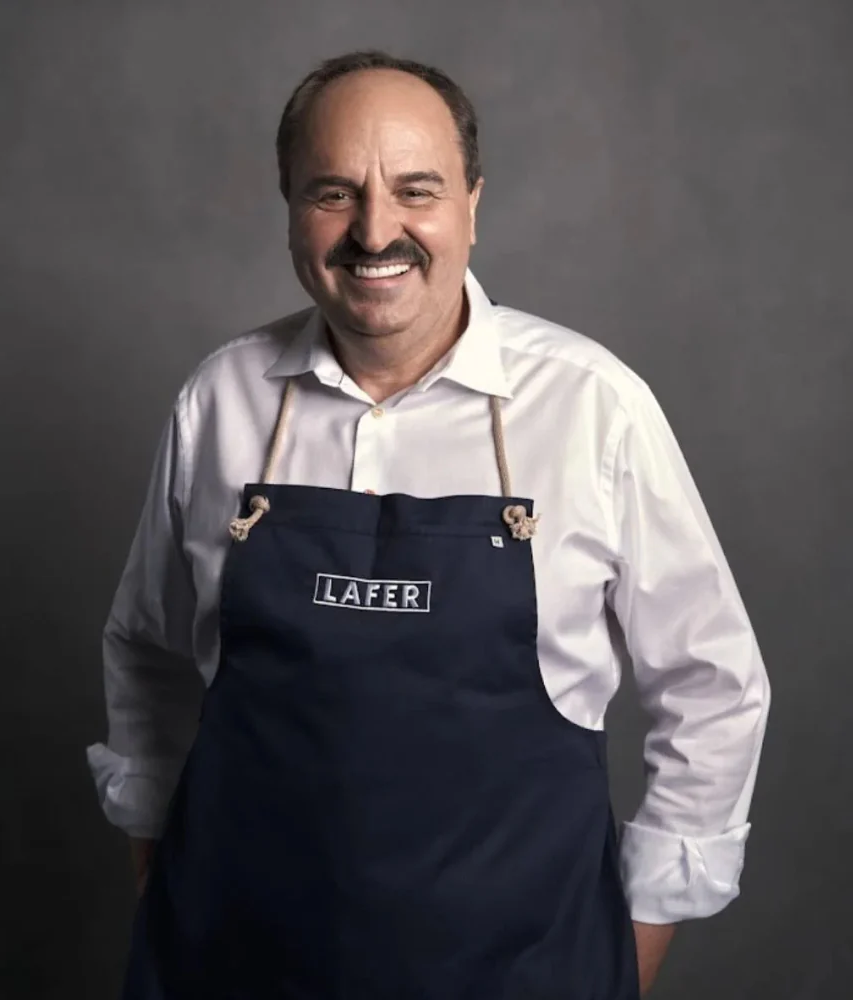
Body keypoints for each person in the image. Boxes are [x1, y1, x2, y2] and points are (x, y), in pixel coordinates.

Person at [87, 49, 771, 1000]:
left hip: (525, 973)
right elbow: (147, 652)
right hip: (232, 964)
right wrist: (161, 879)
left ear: (472, 205)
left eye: (417, 190)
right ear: (290, 209)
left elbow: (713, 688)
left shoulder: (591, 406)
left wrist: (630, 949)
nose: (377, 230)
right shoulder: (221, 400)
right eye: (334, 193)